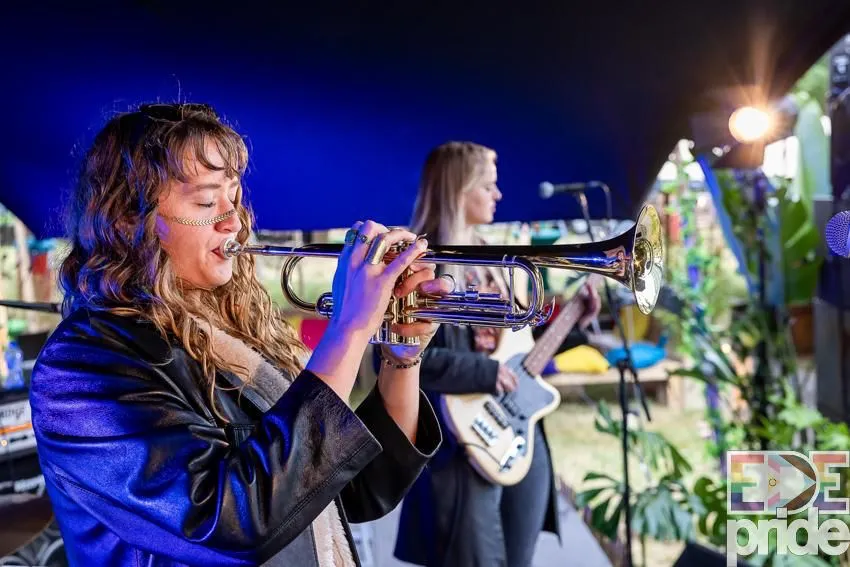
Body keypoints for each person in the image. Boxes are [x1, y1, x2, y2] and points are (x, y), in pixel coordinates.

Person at [29, 102, 449, 566]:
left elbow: (356, 491)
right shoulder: (84, 365)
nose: (233, 219)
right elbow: (232, 522)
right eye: (207, 201)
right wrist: (350, 327)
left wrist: (400, 354)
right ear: (130, 219)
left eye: (233, 196)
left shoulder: (232, 335)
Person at [393, 141, 602, 567]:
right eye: (488, 185)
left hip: (518, 429)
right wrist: (485, 372)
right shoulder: (420, 264)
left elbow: (518, 349)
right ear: (458, 189)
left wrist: (573, 321)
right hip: (458, 441)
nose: (498, 195)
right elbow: (408, 360)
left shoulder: (496, 258)